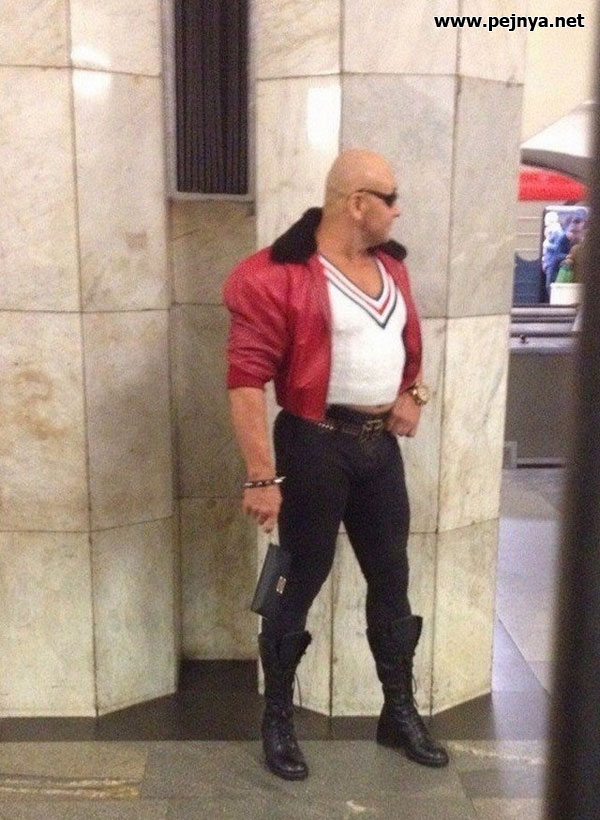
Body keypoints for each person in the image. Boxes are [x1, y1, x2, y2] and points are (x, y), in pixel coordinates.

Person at [223, 149, 449, 781]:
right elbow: (245, 381)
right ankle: (277, 718)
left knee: (392, 577)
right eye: (390, 198)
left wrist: (413, 393)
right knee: (299, 578)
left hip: (380, 450)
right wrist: (261, 475)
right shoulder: (275, 275)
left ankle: (397, 712)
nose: (398, 210)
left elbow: (407, 349)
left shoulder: (391, 268)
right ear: (356, 203)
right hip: (313, 445)